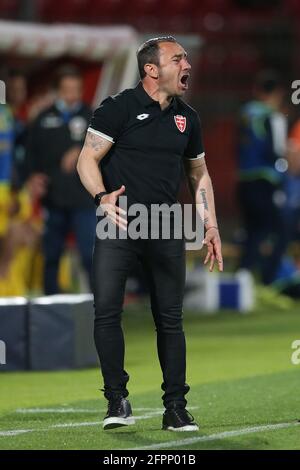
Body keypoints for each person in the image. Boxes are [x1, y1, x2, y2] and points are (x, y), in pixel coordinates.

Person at [77, 36, 223, 432]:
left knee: (170, 319)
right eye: (178, 58)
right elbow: (87, 158)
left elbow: (199, 173)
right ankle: (116, 401)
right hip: (118, 221)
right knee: (107, 311)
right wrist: (101, 197)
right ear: (151, 69)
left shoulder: (187, 117)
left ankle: (176, 407)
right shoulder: (117, 108)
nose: (187, 63)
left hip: (166, 223)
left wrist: (209, 223)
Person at [26, 66, 95, 294]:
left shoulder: (93, 116)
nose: (71, 95)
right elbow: (29, 154)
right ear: (57, 91)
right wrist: (32, 176)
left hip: (84, 198)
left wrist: (81, 149)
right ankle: (50, 308)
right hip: (53, 199)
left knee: (89, 255)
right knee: (52, 256)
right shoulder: (43, 118)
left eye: (76, 89)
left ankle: (102, 309)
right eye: (66, 90)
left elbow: (110, 148)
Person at [237, 70, 288, 285]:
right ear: (277, 93)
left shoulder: (245, 113)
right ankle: (270, 279)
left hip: (244, 180)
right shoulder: (272, 116)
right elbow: (277, 151)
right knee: (280, 230)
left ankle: (244, 277)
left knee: (252, 231)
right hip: (266, 181)